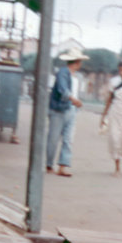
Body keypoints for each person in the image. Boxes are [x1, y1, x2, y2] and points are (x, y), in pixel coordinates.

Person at [46, 48, 87, 177]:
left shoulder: (76, 76)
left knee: (68, 139)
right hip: (59, 109)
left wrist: (74, 102)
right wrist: (74, 100)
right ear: (77, 62)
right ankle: (49, 164)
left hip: (71, 109)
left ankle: (63, 166)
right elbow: (63, 89)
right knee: (53, 138)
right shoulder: (63, 72)